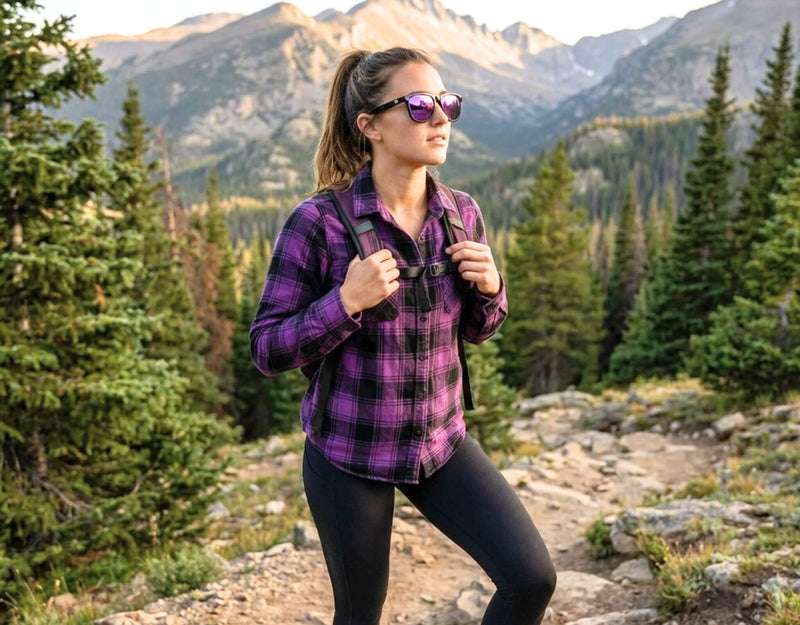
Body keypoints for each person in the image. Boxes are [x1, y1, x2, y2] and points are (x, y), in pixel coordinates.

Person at [249, 47, 556, 625]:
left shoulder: (460, 213)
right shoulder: (318, 222)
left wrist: (492, 289)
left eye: (447, 102)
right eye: (418, 104)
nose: (439, 117)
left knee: (530, 578)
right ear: (370, 127)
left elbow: (480, 329)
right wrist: (344, 303)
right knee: (360, 613)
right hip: (349, 451)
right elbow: (266, 348)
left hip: (440, 443)